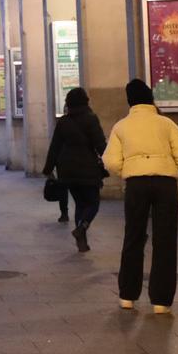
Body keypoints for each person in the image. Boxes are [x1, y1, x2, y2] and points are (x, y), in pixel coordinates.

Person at [102, 79, 178, 314]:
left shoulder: (121, 126)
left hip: (136, 184)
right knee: (165, 239)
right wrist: (172, 169)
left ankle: (127, 295)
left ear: (129, 101)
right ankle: (161, 301)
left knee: (133, 236)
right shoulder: (166, 123)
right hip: (165, 183)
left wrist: (129, 171)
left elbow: (110, 160)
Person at [43, 88, 107, 252]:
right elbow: (100, 143)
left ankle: (82, 239)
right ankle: (82, 227)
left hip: (67, 169)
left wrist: (48, 168)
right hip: (87, 167)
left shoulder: (63, 122)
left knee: (79, 203)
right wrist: (109, 161)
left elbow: (55, 147)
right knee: (93, 203)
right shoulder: (91, 119)